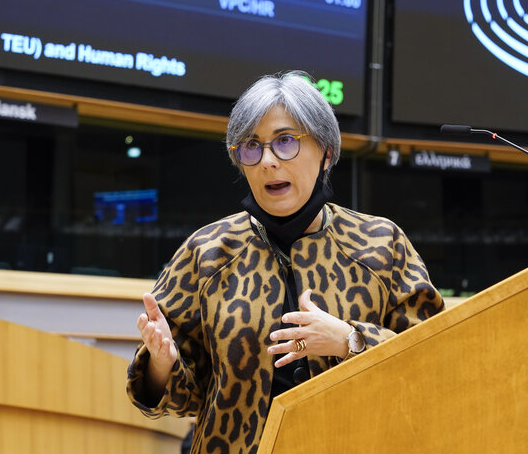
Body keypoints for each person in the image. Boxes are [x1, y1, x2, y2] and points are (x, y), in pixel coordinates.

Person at [126, 71, 445, 453]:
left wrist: (349, 340)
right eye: (251, 146)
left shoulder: (381, 243)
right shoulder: (207, 252)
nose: (267, 161)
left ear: (326, 151)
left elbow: (433, 362)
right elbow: (184, 399)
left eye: (285, 141)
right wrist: (162, 364)